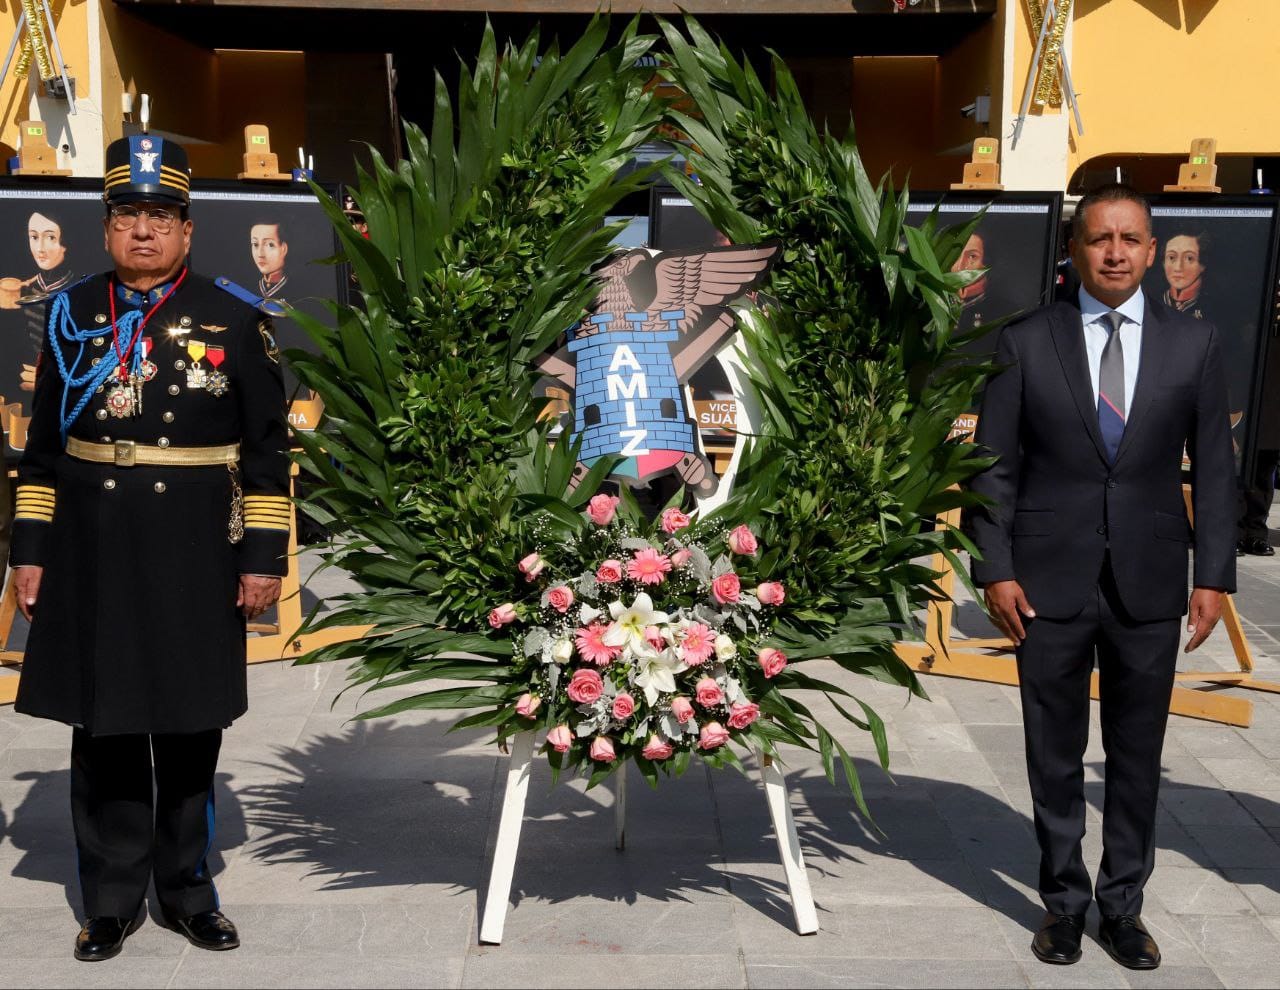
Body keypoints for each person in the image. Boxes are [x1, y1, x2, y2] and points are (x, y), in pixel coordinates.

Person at [8, 134, 290, 961]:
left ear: (187, 230)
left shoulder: (236, 318)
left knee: (191, 724)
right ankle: (110, 900)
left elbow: (268, 453)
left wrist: (263, 560)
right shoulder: (71, 315)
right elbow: (44, 450)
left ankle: (188, 891)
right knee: (105, 727)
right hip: (93, 549)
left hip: (196, 550)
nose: (142, 230)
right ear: (105, 227)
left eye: (160, 215)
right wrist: (31, 550)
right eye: (127, 213)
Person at [968, 184, 1235, 971]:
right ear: (1074, 250)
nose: (1114, 252)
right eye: (1099, 239)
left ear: (1153, 251)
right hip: (1045, 583)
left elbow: (1216, 471)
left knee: (1136, 751)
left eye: (1130, 239)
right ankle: (1062, 904)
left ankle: (1123, 907)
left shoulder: (1197, 344)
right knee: (1053, 753)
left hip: (1150, 581)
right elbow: (992, 471)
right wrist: (995, 568)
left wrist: (1213, 574)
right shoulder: (1026, 341)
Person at [250, 221, 288, 301]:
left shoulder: (300, 292)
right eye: (255, 244)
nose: (260, 254)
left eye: (270, 245)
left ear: (284, 249)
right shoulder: (246, 285)